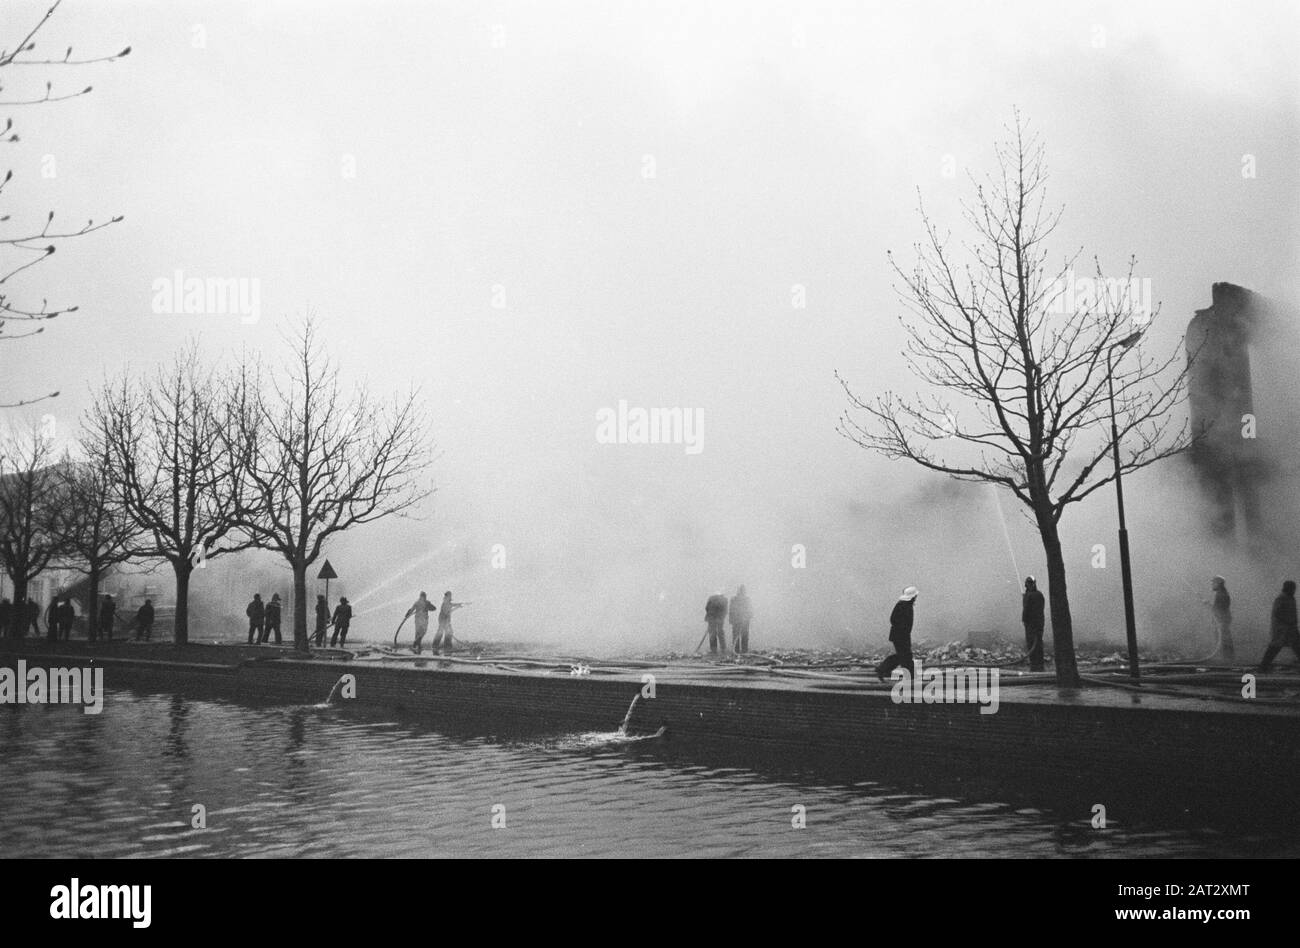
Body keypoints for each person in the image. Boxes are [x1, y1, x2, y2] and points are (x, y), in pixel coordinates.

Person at [876, 586, 919, 681]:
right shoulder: (902, 605)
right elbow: (893, 619)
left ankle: (883, 669)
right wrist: (902, 629)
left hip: (902, 635)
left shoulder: (907, 604)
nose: (916, 597)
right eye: (915, 595)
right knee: (905, 656)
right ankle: (911, 677)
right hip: (900, 635)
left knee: (903, 656)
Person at [1260, 580, 1300, 671]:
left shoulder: (1290, 598)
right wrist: (1288, 621)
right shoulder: (1281, 598)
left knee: (1296, 646)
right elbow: (1277, 613)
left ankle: (1264, 666)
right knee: (1275, 647)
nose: (1293, 590)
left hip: (1290, 628)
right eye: (1292, 588)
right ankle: (1263, 666)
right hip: (1281, 628)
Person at [1021, 576, 1046, 671]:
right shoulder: (1039, 595)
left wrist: (1025, 599)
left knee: (1033, 645)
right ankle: (1039, 666)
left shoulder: (1030, 596)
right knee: (1038, 645)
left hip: (1031, 625)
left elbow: (1026, 611)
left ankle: (1035, 666)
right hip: (1038, 625)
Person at [1208, 576, 1234, 662]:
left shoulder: (1221, 594)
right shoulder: (1222, 593)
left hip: (1221, 621)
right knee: (1224, 639)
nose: (1212, 585)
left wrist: (1208, 605)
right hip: (1222, 620)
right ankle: (1227, 658)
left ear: (1218, 584)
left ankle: (1227, 659)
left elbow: (1219, 609)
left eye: (1213, 583)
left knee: (1224, 640)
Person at [729, 585, 753, 654]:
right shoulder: (745, 599)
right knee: (743, 635)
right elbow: (731, 610)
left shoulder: (734, 599)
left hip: (739, 620)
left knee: (740, 635)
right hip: (739, 620)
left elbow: (731, 610)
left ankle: (739, 650)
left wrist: (731, 620)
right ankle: (742, 650)